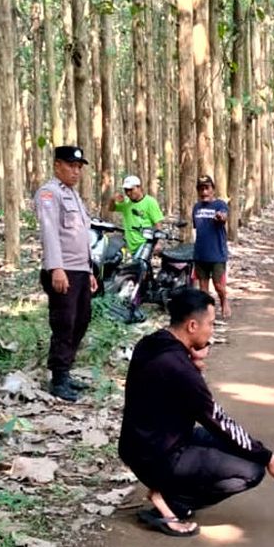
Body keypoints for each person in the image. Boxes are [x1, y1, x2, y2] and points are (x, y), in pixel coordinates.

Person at [117, 288, 274, 537]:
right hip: (157, 456)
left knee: (243, 451)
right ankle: (170, 505)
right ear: (192, 325)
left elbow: (171, 390)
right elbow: (218, 421)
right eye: (211, 324)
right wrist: (270, 458)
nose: (212, 331)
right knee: (252, 471)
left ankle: (167, 492)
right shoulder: (179, 368)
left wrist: (192, 360)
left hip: (144, 444)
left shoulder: (151, 343)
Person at [34, 146, 98, 402]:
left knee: (81, 320)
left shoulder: (73, 196)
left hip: (79, 269)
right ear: (57, 165)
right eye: (71, 165)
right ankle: (58, 377)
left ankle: (67, 371)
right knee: (64, 323)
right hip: (63, 270)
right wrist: (56, 268)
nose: (76, 171)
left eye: (79, 166)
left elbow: (80, 236)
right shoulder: (49, 194)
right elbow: (49, 233)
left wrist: (89, 269)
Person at [192, 174, 231, 318]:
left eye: (207, 188)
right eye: (201, 189)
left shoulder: (220, 205)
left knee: (218, 285)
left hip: (217, 254)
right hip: (200, 253)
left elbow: (224, 216)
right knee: (203, 289)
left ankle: (224, 301)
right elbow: (196, 228)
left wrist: (221, 217)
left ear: (213, 189)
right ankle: (207, 313)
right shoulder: (196, 207)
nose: (204, 192)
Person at [107, 174, 164, 255]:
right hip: (130, 246)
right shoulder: (126, 202)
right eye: (126, 190)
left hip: (145, 244)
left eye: (131, 189)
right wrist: (112, 200)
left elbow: (158, 224)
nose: (128, 193)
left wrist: (159, 243)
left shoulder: (150, 202)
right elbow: (111, 209)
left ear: (139, 187)